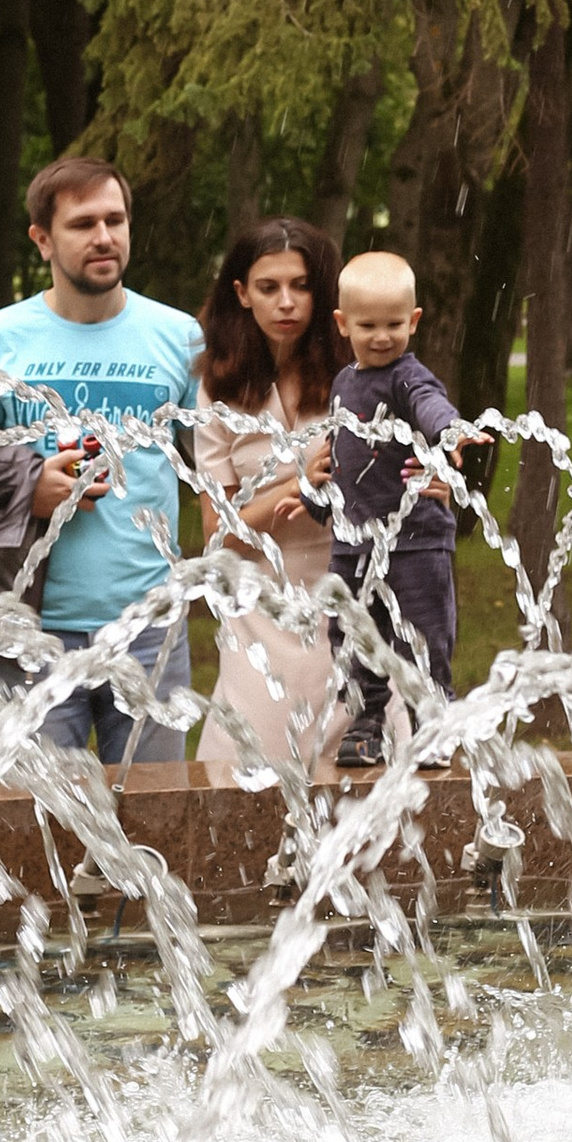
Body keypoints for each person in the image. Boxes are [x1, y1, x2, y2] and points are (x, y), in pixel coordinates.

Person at [0, 154, 200, 764]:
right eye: (83, 224)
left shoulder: (180, 337)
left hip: (150, 628)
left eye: (116, 220)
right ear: (42, 240)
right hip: (30, 628)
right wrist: (29, 486)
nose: (104, 237)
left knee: (151, 826)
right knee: (39, 828)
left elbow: (220, 464)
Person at [192, 216, 346, 785]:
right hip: (258, 615)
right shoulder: (220, 387)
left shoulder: (355, 376)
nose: (287, 302)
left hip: (347, 603)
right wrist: (297, 483)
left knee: (358, 796)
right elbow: (217, 535)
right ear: (241, 294)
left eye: (302, 286)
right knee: (247, 788)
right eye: (269, 287)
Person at [327, 246, 473, 774]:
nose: (382, 336)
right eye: (368, 325)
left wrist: (447, 431)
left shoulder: (408, 377)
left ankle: (433, 722)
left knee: (423, 635)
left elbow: (431, 405)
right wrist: (315, 497)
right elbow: (342, 454)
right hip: (353, 539)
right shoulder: (344, 384)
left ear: (413, 321)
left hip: (416, 540)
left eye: (394, 324)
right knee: (350, 632)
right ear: (343, 324)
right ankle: (366, 723)